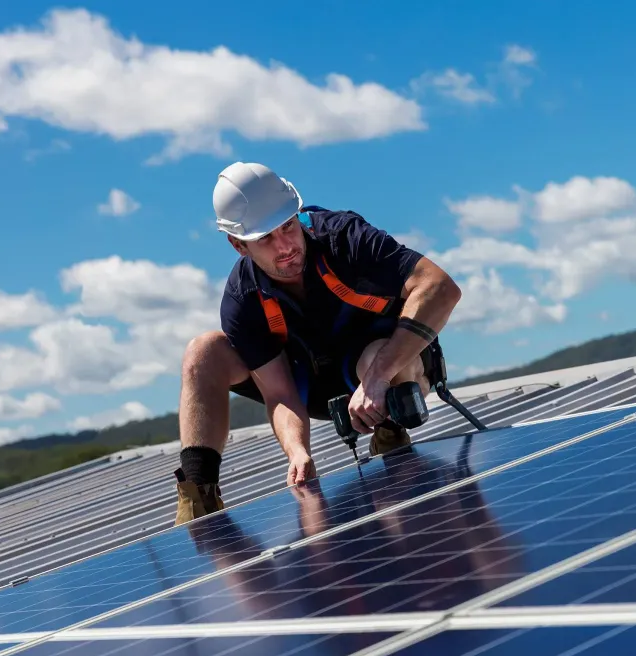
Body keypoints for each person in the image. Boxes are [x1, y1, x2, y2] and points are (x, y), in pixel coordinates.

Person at [172, 162, 463, 526]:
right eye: (266, 238)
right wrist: (297, 451)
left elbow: (440, 287)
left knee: (373, 359)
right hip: (313, 388)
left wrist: (377, 377)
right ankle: (198, 503)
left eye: (288, 227)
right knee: (203, 352)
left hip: (391, 369)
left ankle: (390, 434)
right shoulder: (242, 300)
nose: (285, 246)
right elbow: (279, 394)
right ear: (238, 245)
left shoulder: (345, 237)